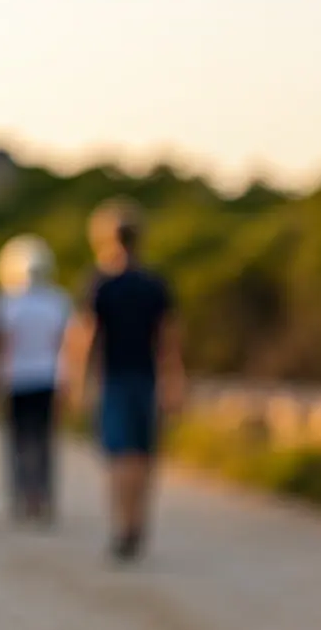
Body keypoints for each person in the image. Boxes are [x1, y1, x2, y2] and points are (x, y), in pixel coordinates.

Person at [62, 197, 185, 563]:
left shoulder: (99, 283)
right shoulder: (154, 283)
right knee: (144, 456)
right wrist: (174, 382)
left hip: (114, 379)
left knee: (119, 457)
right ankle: (138, 523)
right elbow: (169, 340)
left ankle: (121, 527)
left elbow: (85, 338)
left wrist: (78, 383)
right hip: (146, 379)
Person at [0, 235, 71, 526]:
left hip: (16, 380)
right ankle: (42, 496)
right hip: (47, 379)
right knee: (42, 440)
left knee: (18, 440)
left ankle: (23, 495)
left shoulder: (4, 303)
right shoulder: (58, 301)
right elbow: (63, 346)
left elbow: (0, 346)